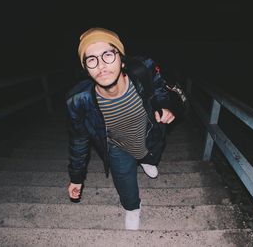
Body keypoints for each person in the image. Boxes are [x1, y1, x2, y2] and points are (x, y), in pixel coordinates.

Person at [66, 27, 183, 230]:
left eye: (108, 55)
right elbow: (79, 140)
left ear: (121, 58)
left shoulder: (143, 70)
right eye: (91, 59)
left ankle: (146, 160)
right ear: (85, 68)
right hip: (116, 144)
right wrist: (76, 178)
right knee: (123, 178)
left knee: (150, 152)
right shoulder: (79, 101)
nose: (101, 65)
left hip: (147, 132)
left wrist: (164, 106)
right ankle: (132, 208)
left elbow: (158, 88)